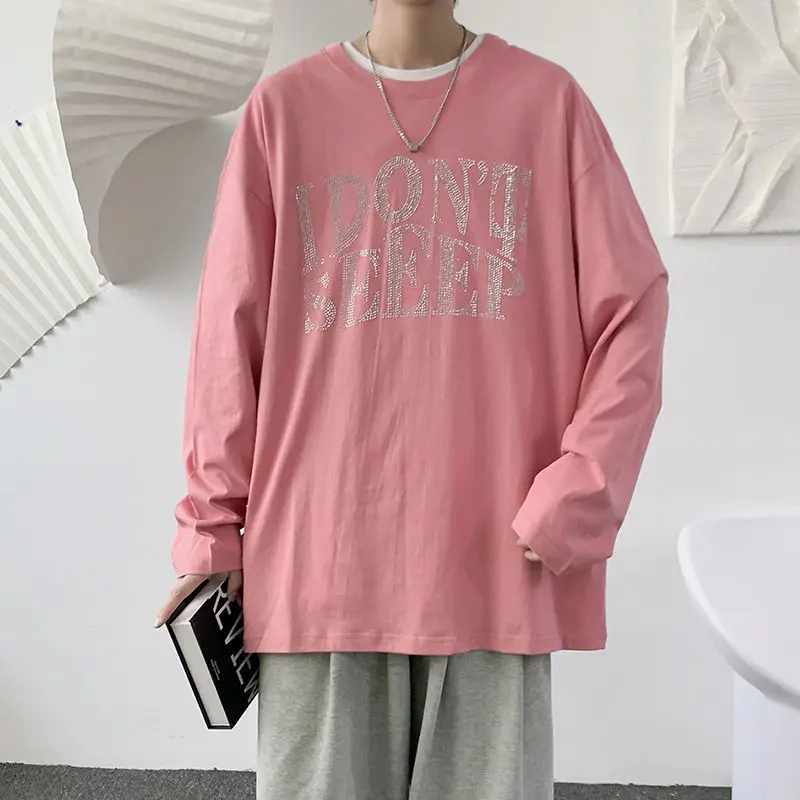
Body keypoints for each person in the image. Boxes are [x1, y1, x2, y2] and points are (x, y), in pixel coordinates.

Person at [155, 0, 669, 797]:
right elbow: (229, 337)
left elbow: (633, 307)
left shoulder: (549, 105)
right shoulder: (282, 113)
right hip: (319, 572)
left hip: (494, 571)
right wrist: (210, 531)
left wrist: (584, 489)